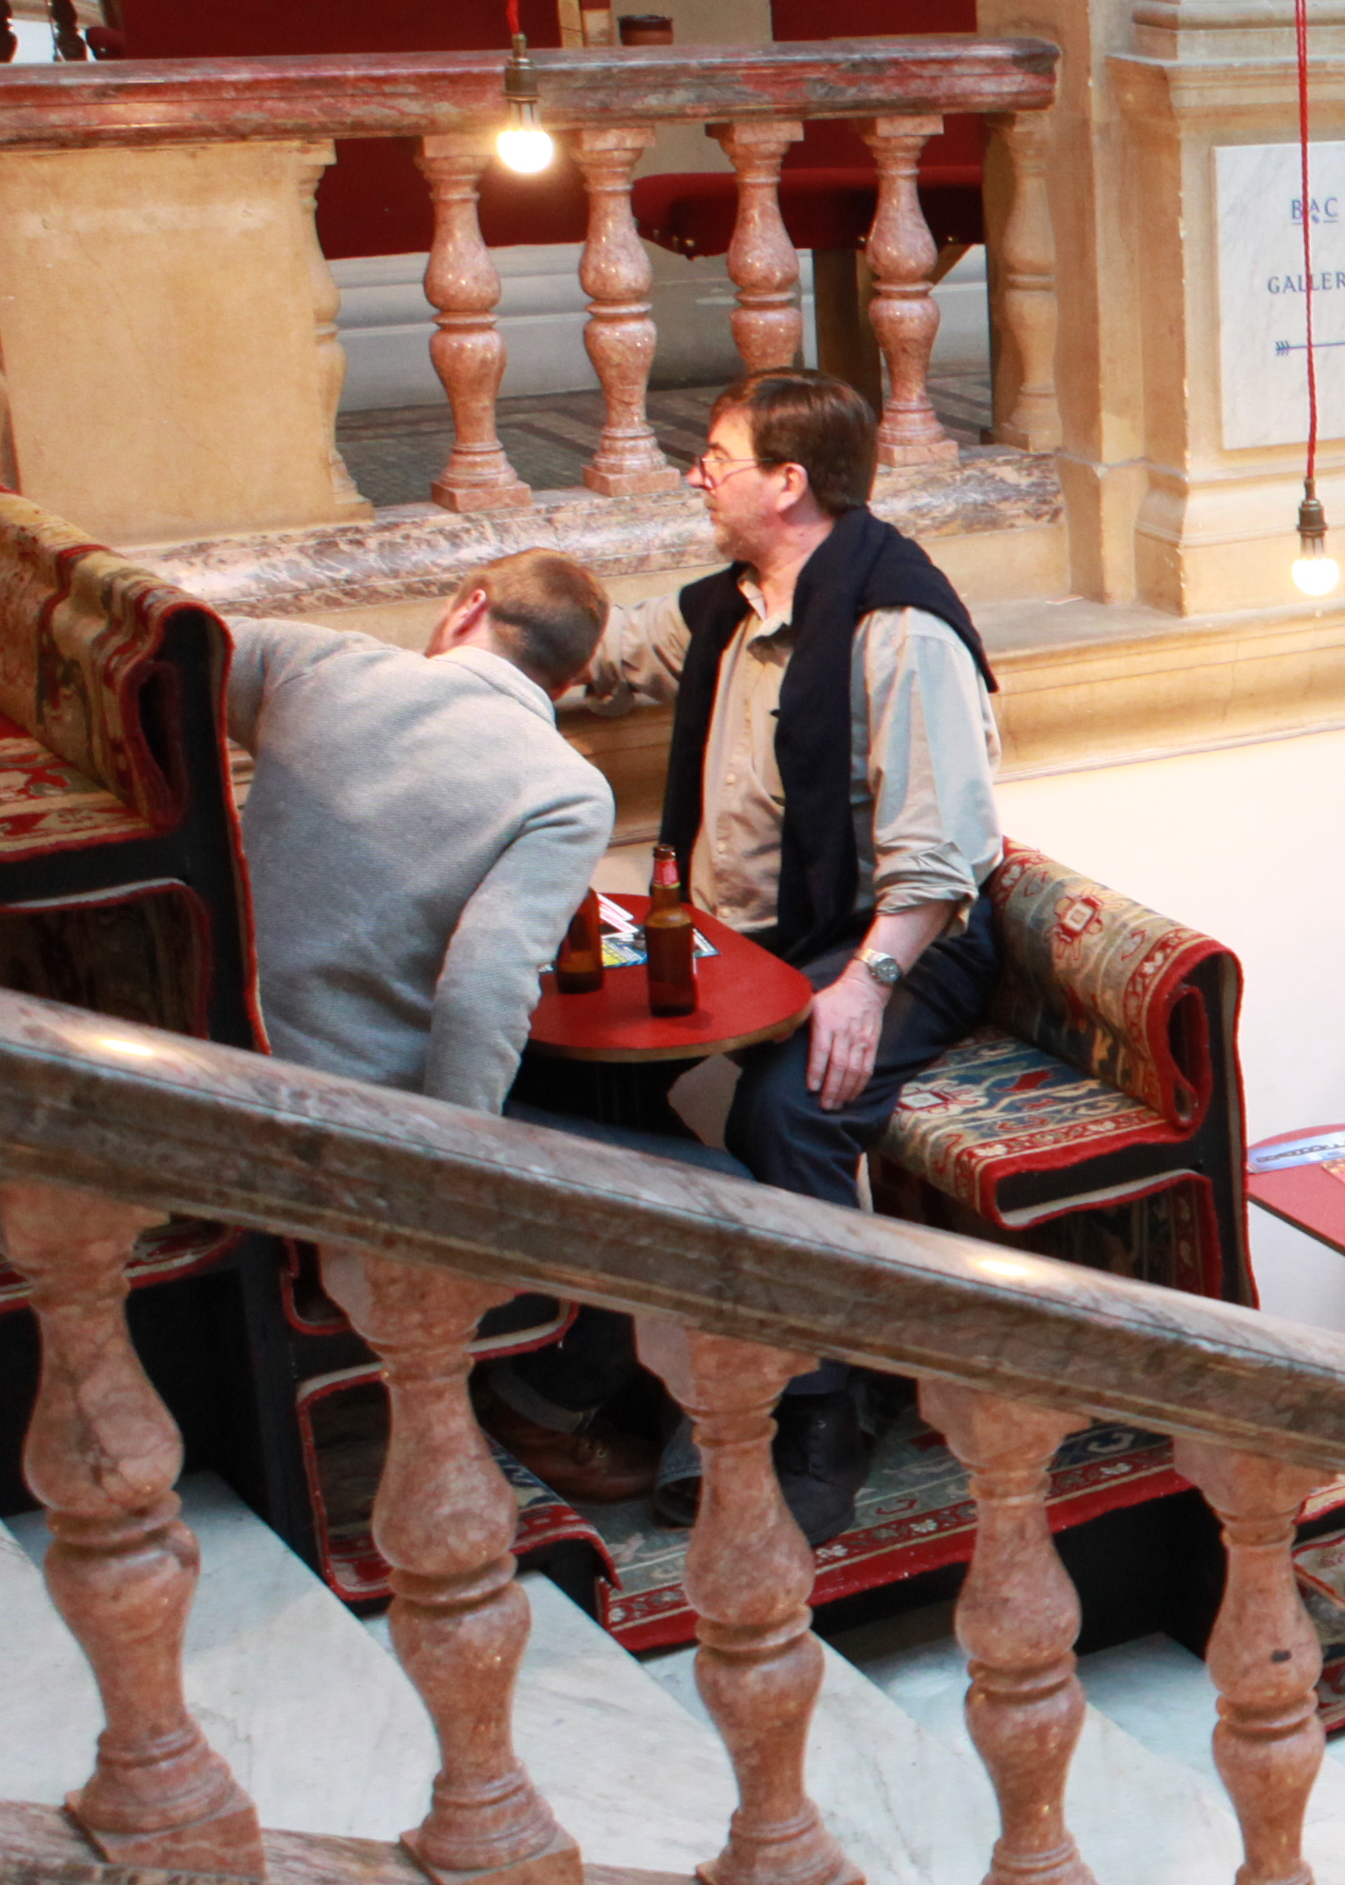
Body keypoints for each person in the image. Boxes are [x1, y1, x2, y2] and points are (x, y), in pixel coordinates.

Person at [491, 367, 1005, 1541]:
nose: (694, 476)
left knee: (788, 1114)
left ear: (788, 482)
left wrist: (863, 989)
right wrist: (482, 666)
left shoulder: (900, 632)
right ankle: (627, 1352)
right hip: (753, 938)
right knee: (559, 1070)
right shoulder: (729, 607)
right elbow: (609, 660)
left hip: (899, 943)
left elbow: (941, 863)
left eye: (714, 458)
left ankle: (824, 1409)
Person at [214, 553, 615, 1107]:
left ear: (471, 606)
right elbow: (482, 991)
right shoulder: (569, 789)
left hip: (206, 1060)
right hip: (363, 1108)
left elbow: (160, 639)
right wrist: (458, 1154)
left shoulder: (313, 662)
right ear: (568, 681)